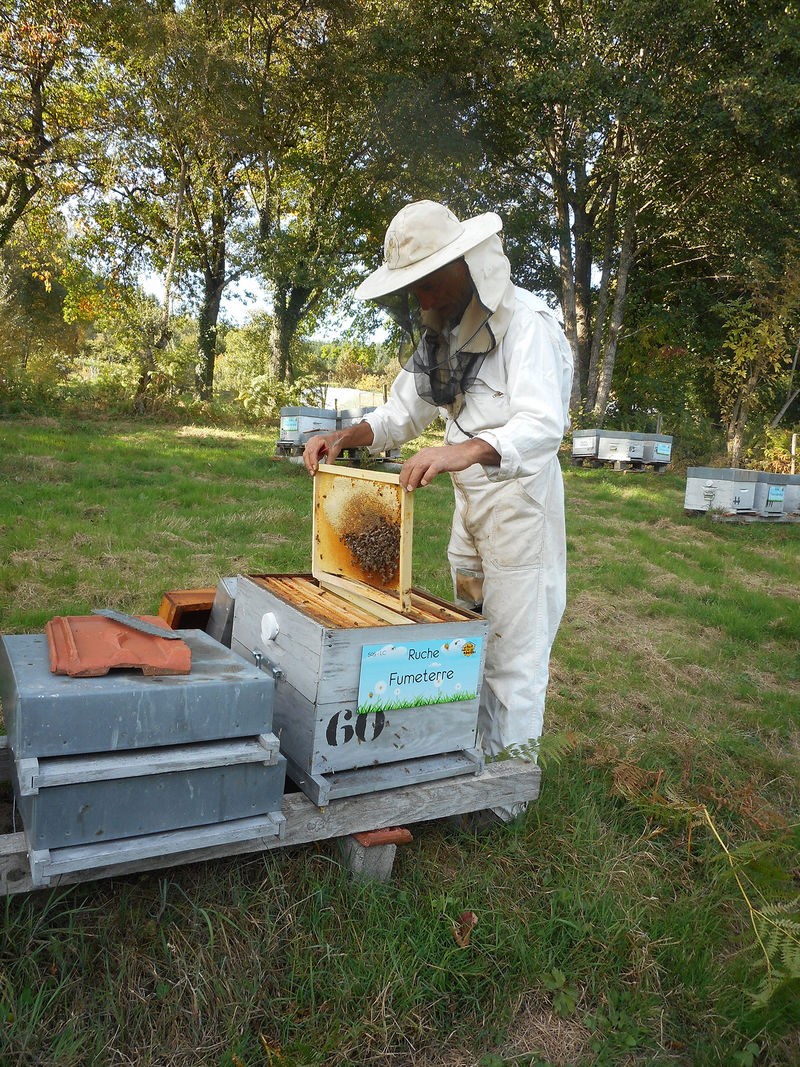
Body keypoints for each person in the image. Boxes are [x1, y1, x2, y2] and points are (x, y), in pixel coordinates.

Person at [304, 200, 573, 801]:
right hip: (469, 510)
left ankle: (504, 797)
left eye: (428, 281)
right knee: (468, 640)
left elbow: (543, 426)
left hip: (520, 507)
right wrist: (344, 437)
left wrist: (462, 451)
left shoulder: (528, 324)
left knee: (514, 657)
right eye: (413, 286)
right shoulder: (442, 330)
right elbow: (399, 414)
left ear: (463, 264)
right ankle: (464, 760)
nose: (421, 297)